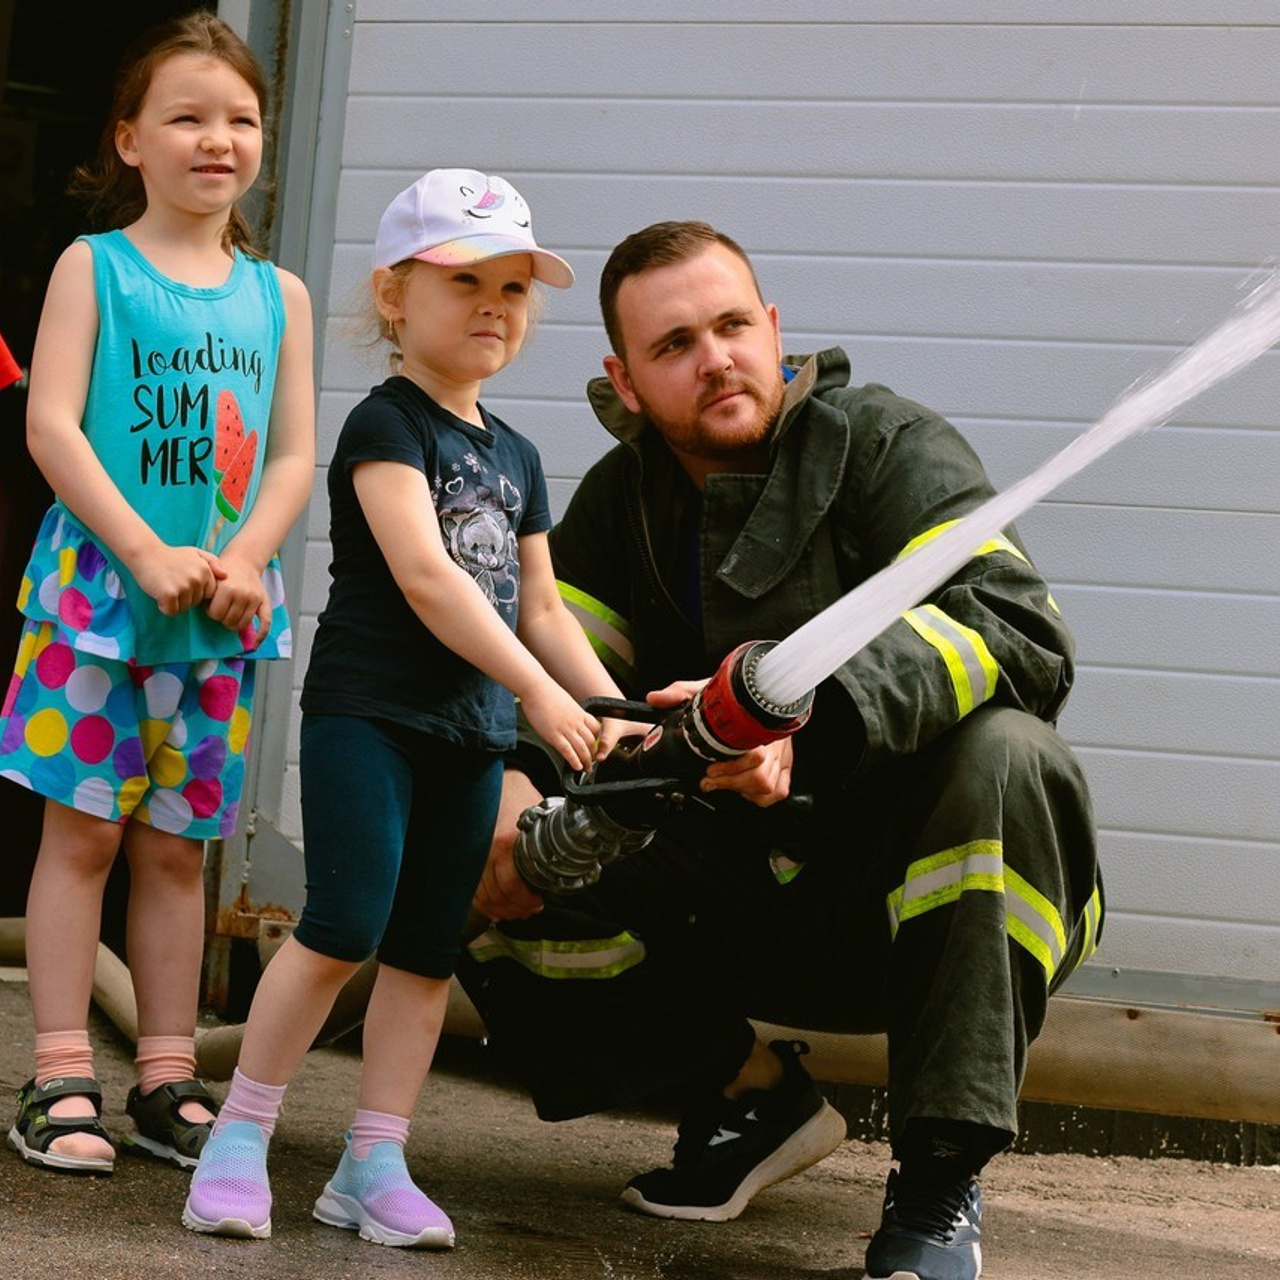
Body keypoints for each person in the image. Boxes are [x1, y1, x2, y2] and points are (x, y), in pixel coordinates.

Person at [460, 221, 1104, 1280]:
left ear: (772, 327)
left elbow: (1016, 627)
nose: (714, 358)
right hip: (741, 901)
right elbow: (549, 671)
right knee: (462, 823)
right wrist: (508, 780)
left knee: (1007, 752)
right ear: (625, 382)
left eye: (730, 326)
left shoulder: (886, 448)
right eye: (674, 345)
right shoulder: (622, 505)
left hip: (912, 900)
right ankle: (744, 1100)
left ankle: (937, 1184)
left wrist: (815, 722)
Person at [181, 168, 627, 1249]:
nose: (493, 306)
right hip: (370, 717)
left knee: (427, 948)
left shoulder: (517, 454)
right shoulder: (386, 426)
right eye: (464, 280)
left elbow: (540, 606)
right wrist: (538, 692)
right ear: (393, 295)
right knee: (342, 926)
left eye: (513, 288)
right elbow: (429, 579)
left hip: (468, 735)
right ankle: (240, 1133)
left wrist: (610, 706)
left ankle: (374, 1158)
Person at [0, 11, 314, 1178]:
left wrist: (245, 558)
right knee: (83, 834)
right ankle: (60, 1071)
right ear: (129, 139)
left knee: (178, 851)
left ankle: (166, 1076)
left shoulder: (278, 294)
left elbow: (292, 453)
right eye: (186, 117)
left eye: (241, 119)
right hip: (97, 603)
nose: (217, 139)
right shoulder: (95, 268)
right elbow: (51, 426)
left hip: (218, 616)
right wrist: (141, 550)